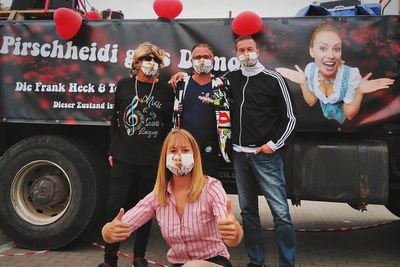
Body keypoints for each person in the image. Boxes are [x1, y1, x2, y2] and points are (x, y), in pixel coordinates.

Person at [169, 35, 297, 267]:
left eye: (250, 49)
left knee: (280, 214)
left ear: (257, 51)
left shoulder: (273, 78)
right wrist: (181, 76)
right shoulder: (229, 80)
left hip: (265, 156)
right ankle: (256, 261)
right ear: (236, 54)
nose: (246, 53)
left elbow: (290, 117)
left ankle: (287, 263)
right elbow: (203, 81)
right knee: (248, 213)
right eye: (241, 50)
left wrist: (273, 144)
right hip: (239, 156)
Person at [101, 129, 243, 267]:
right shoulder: (158, 196)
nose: (179, 156)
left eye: (185, 150)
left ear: (195, 155)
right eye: (173, 151)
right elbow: (121, 227)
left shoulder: (211, 188)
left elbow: (230, 235)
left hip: (213, 262)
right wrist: (108, 231)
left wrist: (234, 232)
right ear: (165, 158)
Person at [99, 42, 174, 267]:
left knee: (145, 210)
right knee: (115, 208)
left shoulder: (165, 90)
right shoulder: (123, 85)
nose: (150, 63)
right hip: (123, 159)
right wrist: (112, 150)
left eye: (155, 60)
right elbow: (115, 121)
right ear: (137, 62)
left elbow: (168, 126)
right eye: (146, 59)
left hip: (151, 162)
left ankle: (139, 256)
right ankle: (110, 258)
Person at [276, 23, 394, 124]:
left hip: (344, 124)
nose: (331, 56)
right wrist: (303, 83)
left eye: (336, 49)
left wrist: (359, 92)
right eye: (323, 48)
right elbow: (312, 102)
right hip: (322, 122)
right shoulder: (310, 69)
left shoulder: (351, 75)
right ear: (312, 51)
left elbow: (349, 115)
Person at [172, 43, 232, 178]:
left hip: (211, 152)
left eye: (206, 56)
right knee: (183, 192)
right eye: (197, 57)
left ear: (213, 60)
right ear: (191, 61)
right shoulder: (181, 84)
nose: (202, 60)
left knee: (207, 193)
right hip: (183, 150)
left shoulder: (222, 85)